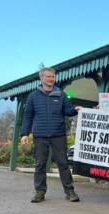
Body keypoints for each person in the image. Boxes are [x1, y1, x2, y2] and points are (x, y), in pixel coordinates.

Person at [20, 67, 83, 203]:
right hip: (40, 135)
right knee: (40, 164)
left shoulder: (61, 94)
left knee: (63, 163)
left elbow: (68, 110)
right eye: (48, 76)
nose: (51, 79)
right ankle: (39, 192)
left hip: (58, 135)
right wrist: (24, 133)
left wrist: (75, 109)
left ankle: (69, 191)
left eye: (53, 77)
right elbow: (27, 116)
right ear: (41, 78)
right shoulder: (33, 96)